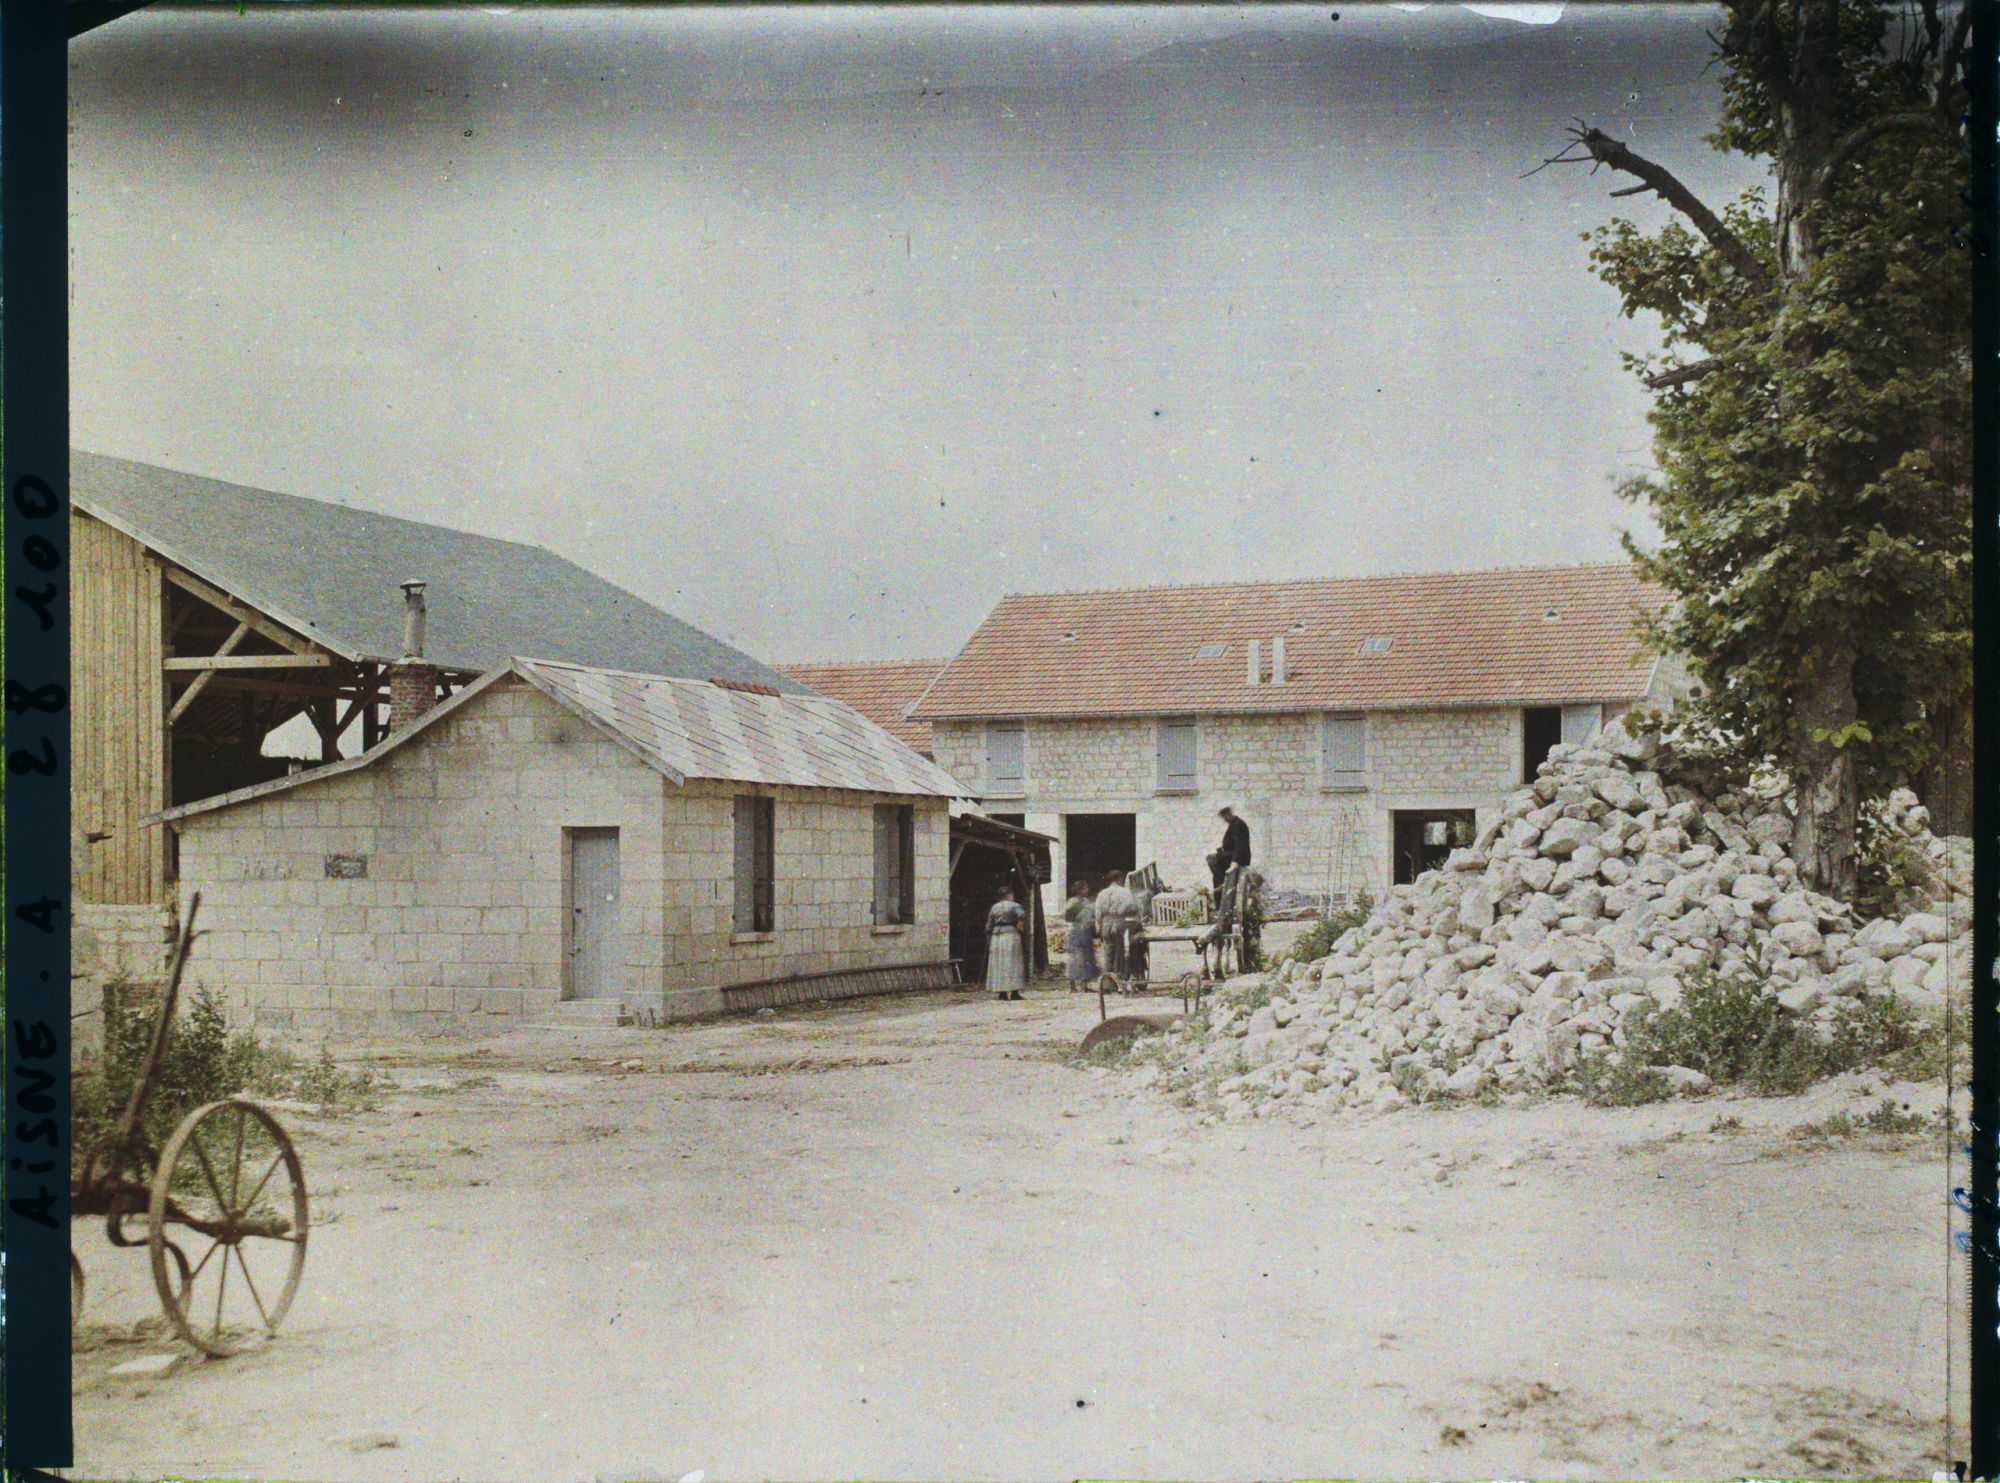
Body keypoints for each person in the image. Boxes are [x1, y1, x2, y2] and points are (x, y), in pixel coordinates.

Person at [1094, 870, 1139, 985]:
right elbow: (1132, 908)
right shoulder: (1125, 893)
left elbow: (1098, 914)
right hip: (1121, 925)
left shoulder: (1102, 894)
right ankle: (1122, 982)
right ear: (1119, 879)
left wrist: (1099, 927)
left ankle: (1107, 983)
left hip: (1106, 924)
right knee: (1121, 954)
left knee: (1108, 953)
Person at [985, 885, 1029, 1001]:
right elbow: (1022, 914)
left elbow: (989, 925)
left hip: (996, 937)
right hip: (1011, 936)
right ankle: (1014, 992)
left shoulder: (994, 907)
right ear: (1009, 895)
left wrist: (988, 936)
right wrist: (1020, 922)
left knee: (999, 964)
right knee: (1013, 963)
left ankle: (1002, 993)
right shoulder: (1014, 905)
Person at [1062, 881, 1098, 990]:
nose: (1087, 890)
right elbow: (1067, 916)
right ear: (1080, 890)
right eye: (1085, 888)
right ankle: (1073, 984)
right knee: (1076, 956)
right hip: (1078, 929)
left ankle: (1084, 984)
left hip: (1084, 930)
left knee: (1086, 956)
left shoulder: (1085, 901)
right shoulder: (1073, 902)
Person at [1217, 806, 1252, 874]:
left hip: (1239, 860)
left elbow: (1240, 844)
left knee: (1218, 864)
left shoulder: (1237, 824)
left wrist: (1235, 861)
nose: (1225, 820)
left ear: (1229, 814)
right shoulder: (1234, 824)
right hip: (1235, 857)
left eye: (1225, 817)